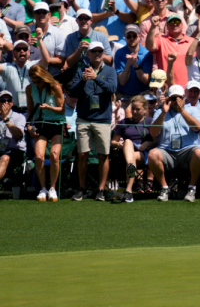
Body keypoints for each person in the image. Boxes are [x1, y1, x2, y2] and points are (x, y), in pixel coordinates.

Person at [70, 42, 117, 202]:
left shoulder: (110, 71)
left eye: (99, 51)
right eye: (93, 51)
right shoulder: (80, 71)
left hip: (102, 119)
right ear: (88, 54)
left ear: (103, 53)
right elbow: (73, 92)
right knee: (82, 154)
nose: (97, 53)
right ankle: (82, 188)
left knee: (103, 155)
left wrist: (96, 79)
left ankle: (101, 189)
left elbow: (112, 89)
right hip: (84, 118)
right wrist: (83, 80)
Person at [148, 84, 200, 202]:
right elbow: (153, 132)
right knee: (153, 154)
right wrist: (163, 113)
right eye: (173, 99)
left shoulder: (193, 109)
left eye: (179, 98)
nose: (176, 101)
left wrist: (182, 110)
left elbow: (197, 127)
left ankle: (191, 189)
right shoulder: (160, 112)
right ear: (168, 99)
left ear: (184, 98)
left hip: (188, 151)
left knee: (199, 153)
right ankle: (164, 188)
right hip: (167, 151)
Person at [25, 65, 65, 203]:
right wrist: (29, 125)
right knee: (39, 156)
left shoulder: (55, 87)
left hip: (56, 124)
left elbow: (62, 109)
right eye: (34, 81)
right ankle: (43, 188)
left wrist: (49, 107)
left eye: (39, 81)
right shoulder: (30, 89)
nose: (37, 84)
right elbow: (30, 110)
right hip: (40, 124)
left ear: (44, 78)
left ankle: (52, 188)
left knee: (54, 156)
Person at [111, 95, 154, 203]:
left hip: (142, 153)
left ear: (145, 109)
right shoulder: (123, 122)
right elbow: (112, 142)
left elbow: (157, 141)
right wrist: (118, 144)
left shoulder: (150, 122)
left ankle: (129, 191)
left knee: (132, 159)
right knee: (128, 141)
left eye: (137, 109)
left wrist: (148, 142)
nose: (134, 111)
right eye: (133, 108)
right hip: (125, 152)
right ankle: (130, 168)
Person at [114, 24, 153, 102]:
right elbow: (122, 81)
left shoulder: (147, 53)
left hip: (143, 95)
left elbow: (145, 80)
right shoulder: (119, 53)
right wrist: (128, 64)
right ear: (125, 37)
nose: (132, 38)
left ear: (139, 36)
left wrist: (135, 65)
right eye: (129, 36)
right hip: (124, 96)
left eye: (134, 36)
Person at [0, 91, 26, 187]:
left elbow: (18, 135)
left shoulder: (19, 117)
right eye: (3, 100)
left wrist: (6, 119)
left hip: (15, 151)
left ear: (12, 102)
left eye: (9, 100)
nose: (6, 103)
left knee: (5, 158)